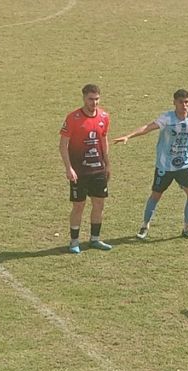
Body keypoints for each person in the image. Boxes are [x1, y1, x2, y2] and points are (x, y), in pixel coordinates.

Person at [113, 89, 188, 240]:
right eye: (180, 102)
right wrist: (129, 136)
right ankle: (144, 225)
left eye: (186, 102)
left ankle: (187, 228)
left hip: (185, 165)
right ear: (174, 103)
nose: (184, 105)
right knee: (156, 195)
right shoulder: (167, 118)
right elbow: (148, 128)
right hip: (165, 166)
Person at [58, 84, 113, 254]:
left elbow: (103, 140)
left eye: (96, 99)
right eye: (90, 99)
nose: (94, 103)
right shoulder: (73, 118)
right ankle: (74, 241)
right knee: (79, 206)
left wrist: (107, 164)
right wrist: (69, 168)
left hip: (98, 170)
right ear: (83, 98)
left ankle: (95, 239)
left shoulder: (104, 116)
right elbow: (63, 145)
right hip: (79, 171)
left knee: (99, 204)